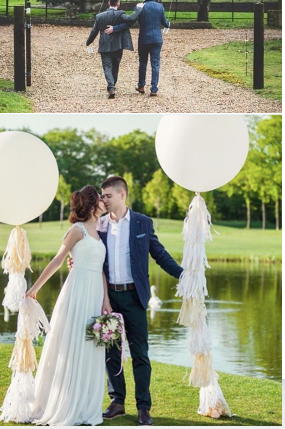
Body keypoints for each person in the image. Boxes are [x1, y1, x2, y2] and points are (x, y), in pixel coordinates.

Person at [98, 176, 182, 426]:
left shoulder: (142, 222)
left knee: (140, 354)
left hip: (134, 297)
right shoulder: (99, 225)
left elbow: (159, 253)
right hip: (107, 298)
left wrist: (182, 274)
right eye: (103, 196)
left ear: (122, 195)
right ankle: (117, 402)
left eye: (108, 196)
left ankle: (144, 408)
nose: (104, 200)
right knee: (110, 352)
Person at [25, 185, 110, 426]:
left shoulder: (98, 231)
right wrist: (35, 288)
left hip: (94, 295)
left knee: (90, 347)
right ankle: (63, 401)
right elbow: (58, 260)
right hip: (77, 293)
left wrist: (106, 300)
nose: (105, 202)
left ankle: (84, 404)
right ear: (93, 206)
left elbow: (101, 270)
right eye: (101, 200)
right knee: (71, 343)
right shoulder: (77, 230)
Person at [106, 0, 170, 97]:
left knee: (143, 62)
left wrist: (115, 28)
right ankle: (154, 89)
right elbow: (165, 23)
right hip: (157, 38)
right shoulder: (159, 6)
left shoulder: (140, 7)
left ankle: (141, 86)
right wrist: (168, 24)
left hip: (144, 38)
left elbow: (130, 21)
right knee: (155, 64)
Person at [86, 0, 135, 99]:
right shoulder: (121, 15)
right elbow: (130, 22)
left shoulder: (100, 16)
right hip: (118, 45)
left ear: (108, 3)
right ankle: (112, 85)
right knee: (115, 66)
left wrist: (88, 42)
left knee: (107, 67)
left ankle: (111, 86)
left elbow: (94, 31)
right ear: (118, 4)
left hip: (104, 45)